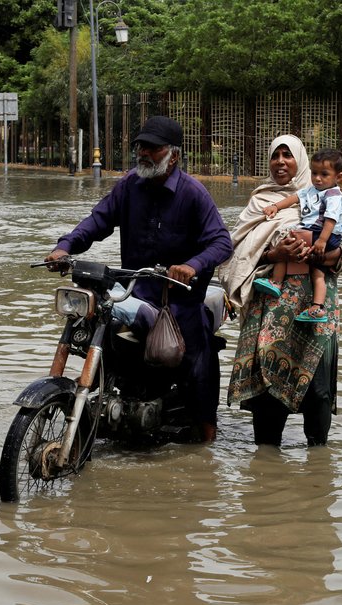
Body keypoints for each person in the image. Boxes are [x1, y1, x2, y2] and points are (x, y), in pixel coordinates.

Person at [44, 116, 234, 444]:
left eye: (152, 148)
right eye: (140, 146)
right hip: (133, 289)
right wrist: (65, 247)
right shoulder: (129, 185)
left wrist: (191, 265)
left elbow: (221, 242)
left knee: (197, 363)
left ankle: (208, 438)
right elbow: (97, 220)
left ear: (173, 155)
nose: (143, 153)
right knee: (95, 320)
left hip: (178, 300)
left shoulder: (193, 194)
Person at [219, 135, 342, 447]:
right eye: (275, 155)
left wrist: (318, 252)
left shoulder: (325, 198)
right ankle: (266, 468)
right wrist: (276, 254)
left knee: (318, 392)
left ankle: (318, 465)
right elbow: (234, 254)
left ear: (301, 161)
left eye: (288, 155)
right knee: (266, 398)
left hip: (314, 310)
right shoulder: (259, 203)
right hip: (268, 307)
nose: (281, 161)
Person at [253, 148, 342, 323]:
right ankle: (277, 283)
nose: (318, 178)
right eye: (275, 156)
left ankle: (316, 306)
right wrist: (275, 206)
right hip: (271, 309)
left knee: (316, 271)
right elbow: (244, 252)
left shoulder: (333, 195)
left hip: (320, 235)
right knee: (287, 244)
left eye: (288, 155)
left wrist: (321, 245)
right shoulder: (308, 191)